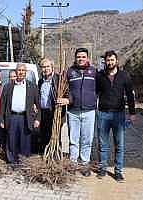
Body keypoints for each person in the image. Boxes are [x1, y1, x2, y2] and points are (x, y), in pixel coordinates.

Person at [96, 50, 136, 182]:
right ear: (105, 61)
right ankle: (102, 168)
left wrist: (132, 113)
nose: (110, 62)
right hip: (103, 114)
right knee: (102, 144)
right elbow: (94, 92)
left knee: (119, 145)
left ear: (116, 61)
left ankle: (118, 171)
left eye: (112, 60)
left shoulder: (124, 75)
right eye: (108, 60)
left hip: (119, 115)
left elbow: (130, 95)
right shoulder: (100, 75)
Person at [58, 48, 96, 177]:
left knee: (87, 139)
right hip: (73, 111)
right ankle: (73, 164)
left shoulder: (93, 72)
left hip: (89, 111)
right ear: (75, 58)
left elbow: (101, 88)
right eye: (78, 57)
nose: (81, 59)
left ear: (87, 58)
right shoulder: (69, 72)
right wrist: (66, 99)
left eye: (83, 57)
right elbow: (63, 88)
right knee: (73, 139)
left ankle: (84, 164)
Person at [0, 63, 41, 164]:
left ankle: (24, 161)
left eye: (23, 70)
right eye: (19, 70)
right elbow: (2, 105)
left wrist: (38, 119)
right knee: (11, 140)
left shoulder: (32, 86)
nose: (21, 72)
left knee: (25, 140)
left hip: (25, 117)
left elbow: (38, 105)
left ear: (25, 72)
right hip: (12, 117)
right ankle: (12, 162)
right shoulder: (8, 86)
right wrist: (1, 119)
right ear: (16, 72)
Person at [37, 58, 57, 153]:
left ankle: (54, 153)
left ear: (52, 67)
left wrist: (67, 100)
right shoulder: (40, 81)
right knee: (43, 134)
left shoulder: (58, 79)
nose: (45, 69)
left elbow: (68, 94)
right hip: (43, 112)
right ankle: (44, 154)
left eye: (48, 66)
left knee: (54, 134)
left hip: (54, 111)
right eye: (43, 67)